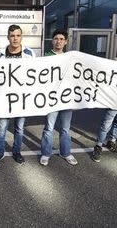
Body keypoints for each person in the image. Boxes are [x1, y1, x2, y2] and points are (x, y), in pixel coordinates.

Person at [0, 24, 35, 166]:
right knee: (2, 127)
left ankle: (16, 152)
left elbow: (36, 75)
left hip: (22, 99)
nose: (15, 38)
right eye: (12, 35)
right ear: (8, 37)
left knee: (19, 128)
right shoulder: (0, 54)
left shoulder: (29, 53)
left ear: (21, 37)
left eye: (18, 35)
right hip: (4, 99)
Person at [40, 30, 78, 166]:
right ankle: (45, 153)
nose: (59, 41)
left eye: (62, 39)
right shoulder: (46, 57)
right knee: (49, 128)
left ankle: (66, 152)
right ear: (52, 41)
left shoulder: (70, 58)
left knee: (65, 129)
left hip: (67, 99)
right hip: (52, 99)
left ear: (66, 41)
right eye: (56, 38)